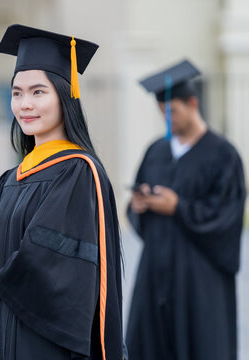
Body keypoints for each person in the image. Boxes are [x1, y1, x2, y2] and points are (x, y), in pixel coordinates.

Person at [0, 24, 124, 360]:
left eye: (39, 92)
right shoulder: (11, 178)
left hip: (44, 343)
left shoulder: (78, 171)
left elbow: (47, 257)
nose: (25, 104)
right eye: (17, 93)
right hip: (4, 336)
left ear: (65, 95)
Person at [126, 59, 246, 360]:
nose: (168, 119)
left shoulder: (223, 154)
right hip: (155, 273)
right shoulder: (157, 151)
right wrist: (138, 205)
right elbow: (136, 211)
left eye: (173, 111)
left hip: (199, 280)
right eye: (162, 111)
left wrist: (178, 206)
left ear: (193, 103)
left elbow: (228, 216)